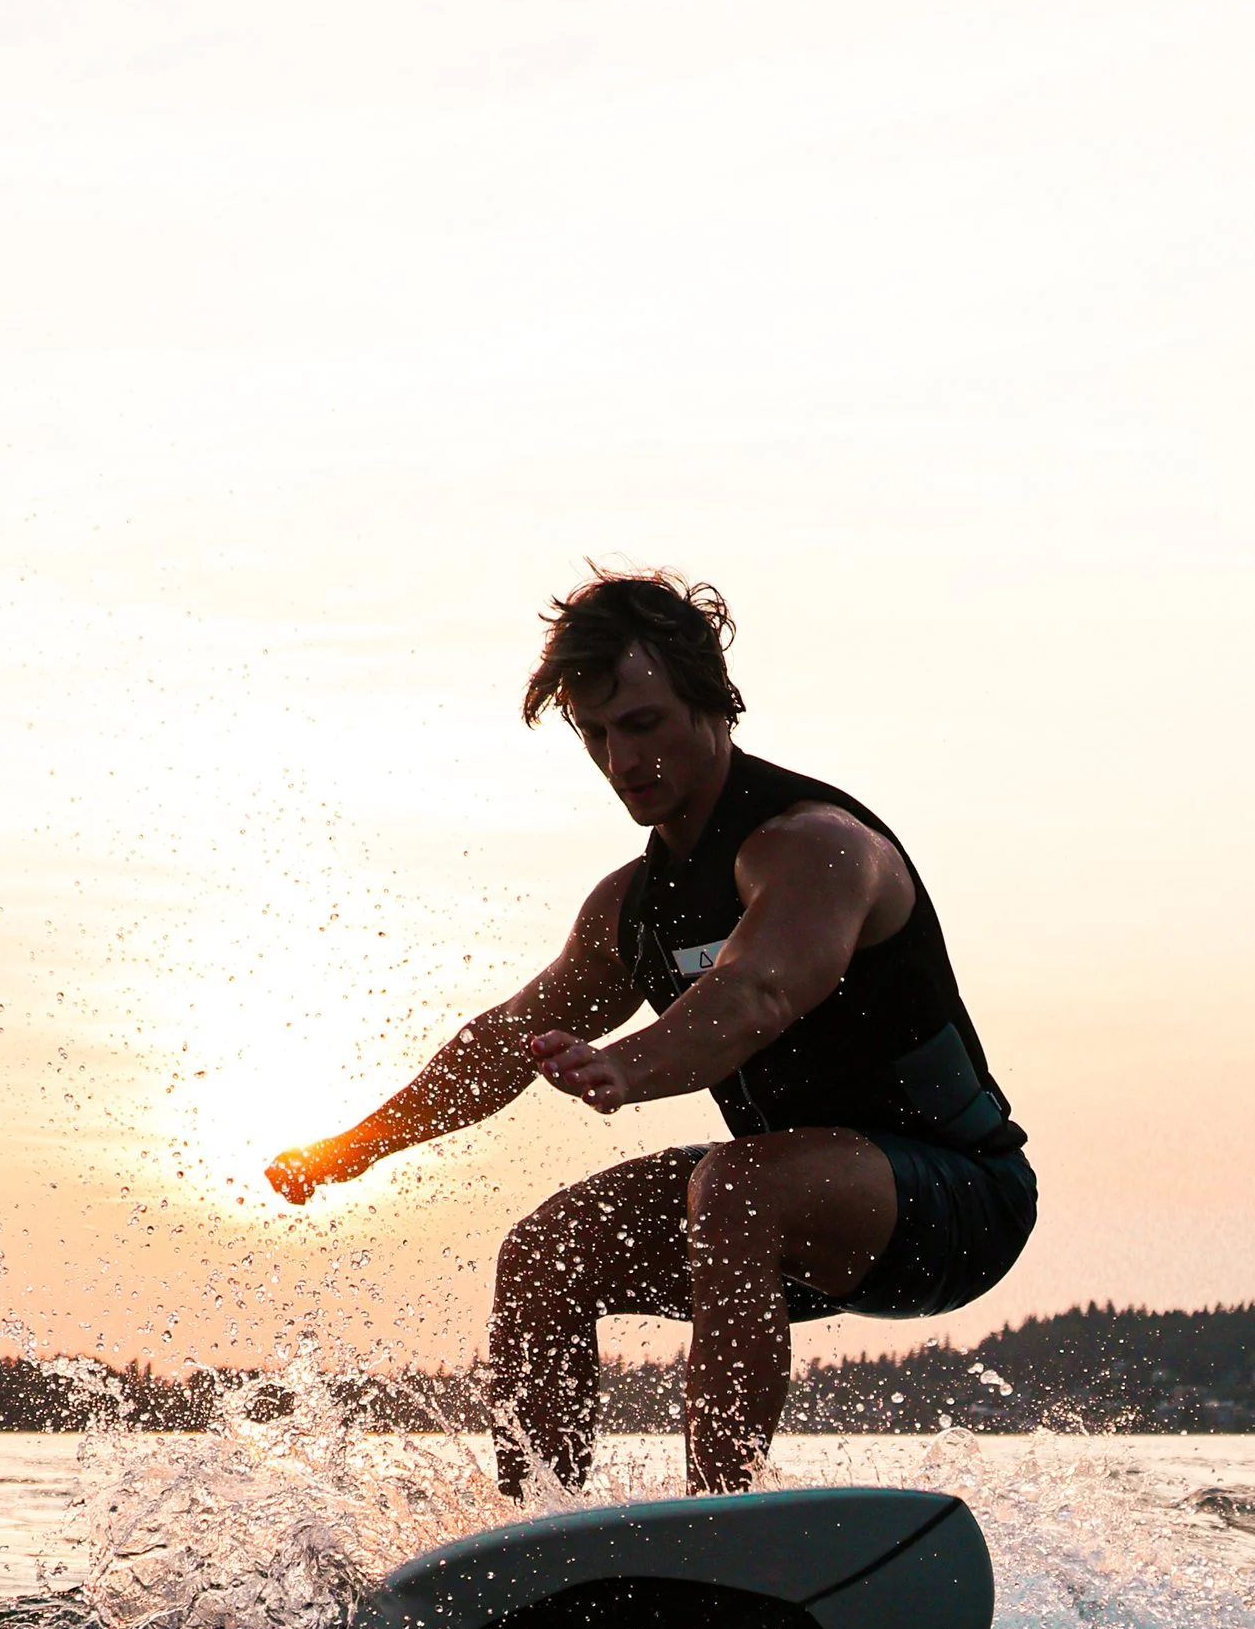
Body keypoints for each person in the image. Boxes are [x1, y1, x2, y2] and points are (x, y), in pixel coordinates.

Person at [266, 571, 1035, 1494]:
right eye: (595, 736)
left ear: (713, 703)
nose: (622, 760)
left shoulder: (816, 847)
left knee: (736, 1183)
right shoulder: (630, 909)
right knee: (547, 1251)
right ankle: (540, 1545)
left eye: (643, 724)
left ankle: (720, 1528)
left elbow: (753, 995)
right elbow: (499, 1043)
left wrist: (625, 1065)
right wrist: (352, 1149)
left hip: (956, 1196)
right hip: (776, 1211)